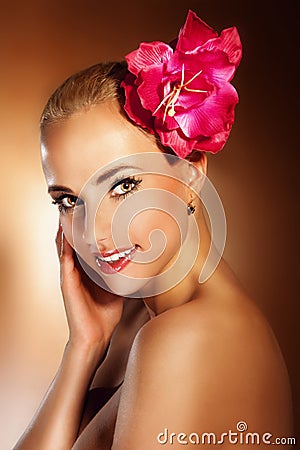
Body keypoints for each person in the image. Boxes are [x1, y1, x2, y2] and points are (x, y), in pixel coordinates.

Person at [14, 10, 293, 450]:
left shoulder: (185, 339)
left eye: (123, 186)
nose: (96, 233)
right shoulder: (131, 325)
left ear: (191, 171)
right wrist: (83, 348)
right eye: (69, 200)